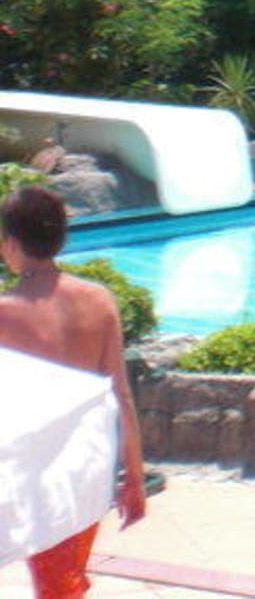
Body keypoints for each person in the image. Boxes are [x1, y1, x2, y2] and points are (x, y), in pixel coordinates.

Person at [0, 185, 147, 599]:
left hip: (34, 470)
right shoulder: (99, 300)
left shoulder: (5, 313)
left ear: (11, 242)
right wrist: (134, 475)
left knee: (57, 585)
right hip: (88, 464)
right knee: (64, 580)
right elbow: (122, 395)